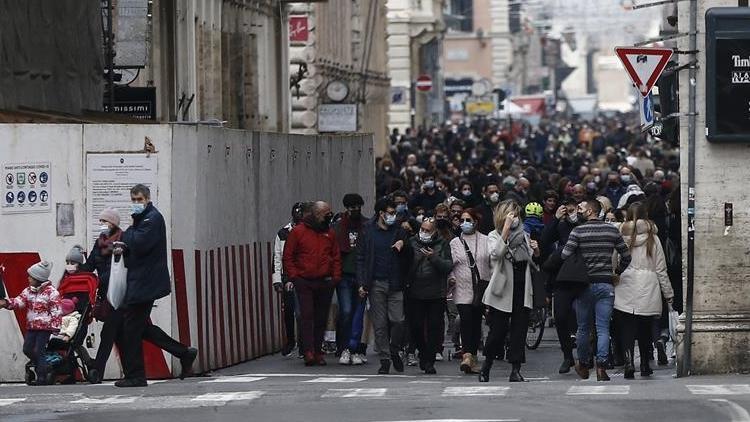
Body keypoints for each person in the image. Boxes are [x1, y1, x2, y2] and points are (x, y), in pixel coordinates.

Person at [113, 184, 197, 387]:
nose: (135, 204)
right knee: (140, 328)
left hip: (145, 283)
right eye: (133, 200)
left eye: (139, 199)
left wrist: (125, 237)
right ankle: (183, 352)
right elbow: (133, 241)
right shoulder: (141, 220)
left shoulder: (152, 219)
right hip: (141, 282)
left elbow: (139, 242)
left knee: (130, 329)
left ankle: (136, 376)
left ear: (148, 199)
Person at [561, 199, 631, 382]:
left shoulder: (578, 231)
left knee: (583, 328)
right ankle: (601, 366)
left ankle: (584, 363)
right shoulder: (611, 230)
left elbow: (564, 255)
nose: (580, 211)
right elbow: (626, 255)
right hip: (606, 284)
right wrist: (617, 272)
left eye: (583, 208)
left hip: (584, 285)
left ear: (591, 211)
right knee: (603, 328)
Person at [480, 200, 539, 383]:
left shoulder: (524, 235)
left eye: (516, 215)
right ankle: (486, 365)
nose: (514, 218)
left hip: (522, 286)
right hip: (503, 289)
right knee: (497, 331)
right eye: (510, 214)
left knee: (519, 331)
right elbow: (496, 254)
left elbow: (533, 261)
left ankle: (515, 369)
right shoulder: (493, 235)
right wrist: (505, 229)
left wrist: (536, 251)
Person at [615, 203, 674, 379]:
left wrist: (613, 278)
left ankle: (628, 362)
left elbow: (614, 261)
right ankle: (645, 365)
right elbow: (661, 268)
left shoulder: (621, 236)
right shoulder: (653, 238)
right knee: (644, 328)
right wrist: (668, 293)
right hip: (648, 286)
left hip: (625, 283)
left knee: (626, 327)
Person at [283, 201, 342, 366]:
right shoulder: (298, 232)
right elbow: (288, 256)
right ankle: (308, 350)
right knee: (307, 316)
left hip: (324, 281)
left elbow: (335, 256)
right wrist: (295, 277)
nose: (329, 215)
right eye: (326, 213)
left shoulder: (329, 234)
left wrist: (335, 277)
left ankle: (318, 351)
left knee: (321, 318)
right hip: (304, 281)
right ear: (317, 214)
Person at [356, 198, 410, 374]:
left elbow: (409, 250)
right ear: (381, 213)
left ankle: (394, 348)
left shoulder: (399, 231)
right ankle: (385, 358)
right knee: (379, 325)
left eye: (394, 213)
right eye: (390, 213)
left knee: (398, 320)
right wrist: (362, 283)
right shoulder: (368, 232)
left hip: (395, 283)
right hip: (376, 283)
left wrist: (403, 244)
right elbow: (361, 258)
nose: (393, 216)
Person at [403, 218, 453, 374]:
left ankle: (429, 360)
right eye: (422, 229)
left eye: (428, 230)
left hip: (436, 293)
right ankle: (423, 353)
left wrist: (434, 257)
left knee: (434, 328)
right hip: (415, 292)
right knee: (416, 326)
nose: (424, 233)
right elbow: (405, 265)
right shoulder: (412, 242)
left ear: (435, 231)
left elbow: (447, 266)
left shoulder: (443, 244)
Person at [0, 261, 60, 385]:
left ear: (38, 278)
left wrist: (55, 327)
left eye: (31, 277)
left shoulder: (52, 293)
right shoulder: (28, 291)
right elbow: (19, 301)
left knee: (39, 350)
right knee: (27, 349)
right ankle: (43, 364)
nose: (28, 278)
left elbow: (56, 310)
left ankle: (42, 377)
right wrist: (6, 303)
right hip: (32, 327)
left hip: (45, 328)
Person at [541, 199, 583, 374]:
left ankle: (585, 355)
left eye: (573, 210)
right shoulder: (561, 225)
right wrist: (556, 219)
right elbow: (544, 240)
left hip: (582, 275)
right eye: (568, 211)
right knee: (560, 317)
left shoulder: (583, 224)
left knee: (584, 317)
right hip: (561, 276)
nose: (570, 214)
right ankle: (567, 356)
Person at [448, 209, 491, 375]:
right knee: (465, 320)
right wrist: (451, 278)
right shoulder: (455, 243)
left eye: (468, 219)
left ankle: (472, 357)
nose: (465, 223)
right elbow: (450, 264)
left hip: (481, 288)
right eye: (462, 220)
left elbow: (491, 263)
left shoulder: (486, 240)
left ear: (475, 222)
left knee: (475, 322)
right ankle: (467, 355)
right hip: (462, 287)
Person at [333, 194, 368, 363]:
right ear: (346, 208)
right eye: (352, 207)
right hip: (345, 275)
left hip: (361, 276)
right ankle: (344, 346)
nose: (355, 210)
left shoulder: (367, 226)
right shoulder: (338, 227)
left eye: (357, 207)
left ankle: (352, 347)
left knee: (357, 314)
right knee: (346, 311)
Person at [272, 202, 307, 357]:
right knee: (289, 310)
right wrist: (277, 279)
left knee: (302, 313)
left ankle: (303, 343)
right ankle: (291, 340)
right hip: (288, 277)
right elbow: (277, 258)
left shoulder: (309, 232)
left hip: (304, 277)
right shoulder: (283, 233)